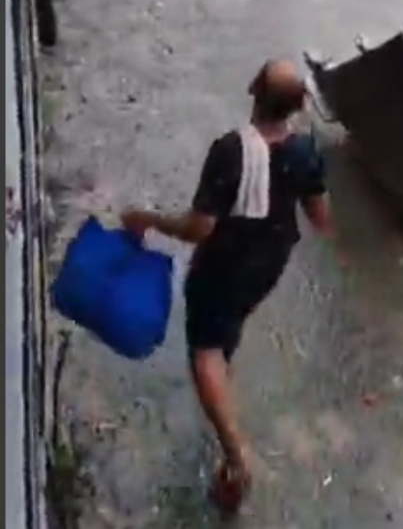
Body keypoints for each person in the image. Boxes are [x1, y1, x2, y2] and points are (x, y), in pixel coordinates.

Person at [120, 59, 336, 509]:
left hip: (225, 264)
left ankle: (237, 458)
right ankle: (225, 392)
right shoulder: (304, 152)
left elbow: (199, 228)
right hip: (269, 265)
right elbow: (321, 220)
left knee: (204, 354)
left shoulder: (232, 151)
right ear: (298, 107)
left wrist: (149, 220)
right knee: (226, 331)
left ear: (253, 89)